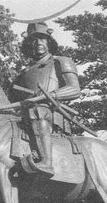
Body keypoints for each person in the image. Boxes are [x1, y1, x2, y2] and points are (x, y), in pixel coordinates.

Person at [11, 22, 81, 177]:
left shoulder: (60, 62)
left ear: (49, 41)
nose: (38, 43)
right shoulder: (23, 74)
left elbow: (75, 89)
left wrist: (46, 97)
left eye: (42, 39)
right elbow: (11, 103)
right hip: (25, 116)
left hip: (50, 113)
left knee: (38, 110)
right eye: (33, 40)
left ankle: (46, 162)